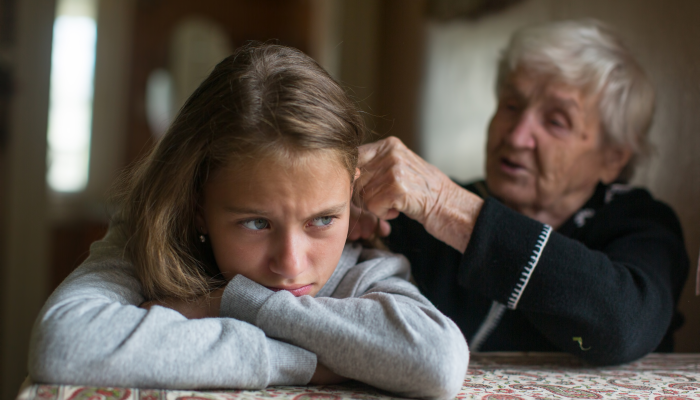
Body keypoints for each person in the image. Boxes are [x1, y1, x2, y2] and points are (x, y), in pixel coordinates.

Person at [28, 43, 468, 399]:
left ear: (351, 196)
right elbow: (65, 344)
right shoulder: (144, 242)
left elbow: (438, 362)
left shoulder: (362, 274)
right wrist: (310, 361)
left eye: (322, 220)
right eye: (257, 223)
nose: (292, 264)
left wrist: (226, 303)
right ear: (197, 203)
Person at [350, 19, 689, 366]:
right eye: (511, 106)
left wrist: (444, 205)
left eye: (556, 121)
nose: (516, 137)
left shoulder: (641, 222)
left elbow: (624, 327)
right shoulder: (420, 212)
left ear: (612, 157)